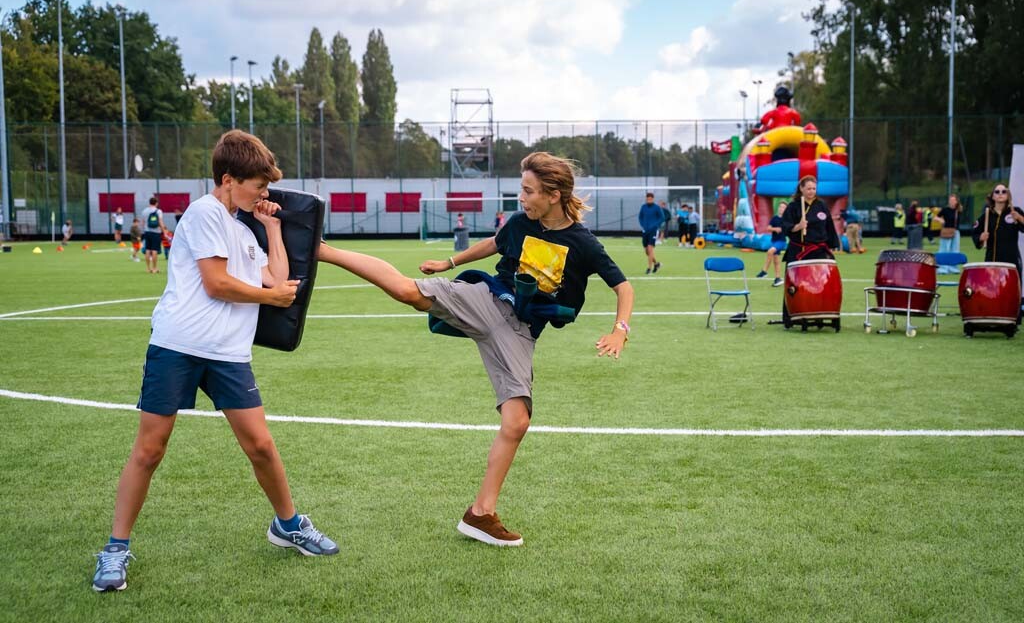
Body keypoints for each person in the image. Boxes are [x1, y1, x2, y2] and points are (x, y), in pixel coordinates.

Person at [317, 152, 633, 547]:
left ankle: (481, 514)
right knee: (406, 291)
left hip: (519, 330)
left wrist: (620, 330)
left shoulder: (583, 243)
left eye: (529, 191)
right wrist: (449, 262)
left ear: (553, 195)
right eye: (522, 189)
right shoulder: (520, 223)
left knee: (517, 422)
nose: (522, 198)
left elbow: (623, 287)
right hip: (487, 299)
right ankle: (322, 250)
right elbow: (494, 244)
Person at [91, 130, 337, 594]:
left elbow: (277, 278)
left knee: (261, 445)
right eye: (257, 187)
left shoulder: (243, 230)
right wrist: (270, 296)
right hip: (178, 346)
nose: (263, 195)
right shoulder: (204, 212)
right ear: (228, 180)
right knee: (150, 450)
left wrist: (272, 228)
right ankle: (115, 548)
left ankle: (288, 525)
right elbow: (217, 283)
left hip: (228, 354)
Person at [780, 176, 840, 325]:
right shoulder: (794, 206)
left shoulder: (821, 206)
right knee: (795, 285)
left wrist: (833, 244)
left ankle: (820, 312)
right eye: (808, 189)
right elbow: (785, 227)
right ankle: (792, 315)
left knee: (820, 283)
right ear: (801, 188)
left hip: (819, 250)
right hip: (799, 249)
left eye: (814, 188)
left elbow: (829, 226)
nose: (811, 191)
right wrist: (798, 227)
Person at [756, 201, 787, 286]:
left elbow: (788, 229)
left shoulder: (786, 219)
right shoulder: (774, 218)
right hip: (774, 241)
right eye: (780, 207)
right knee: (776, 261)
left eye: (783, 207)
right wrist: (775, 229)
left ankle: (764, 271)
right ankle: (777, 279)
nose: (781, 209)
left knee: (770, 251)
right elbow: (768, 228)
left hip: (781, 241)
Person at [936, 194, 962, 274]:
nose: (952, 202)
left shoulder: (958, 210)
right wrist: (941, 220)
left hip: (956, 232)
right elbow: (936, 217)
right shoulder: (945, 209)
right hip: (946, 231)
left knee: (955, 250)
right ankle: (942, 268)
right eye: (950, 200)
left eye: (953, 200)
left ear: (956, 201)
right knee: (944, 250)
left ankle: (953, 268)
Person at [141, 196, 168, 274]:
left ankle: (148, 268)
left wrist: (144, 230)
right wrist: (164, 231)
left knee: (147, 250)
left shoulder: (144, 211)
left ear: (149, 202)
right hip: (156, 232)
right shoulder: (158, 211)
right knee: (154, 250)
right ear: (156, 203)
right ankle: (154, 268)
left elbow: (142, 223)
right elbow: (160, 222)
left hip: (147, 232)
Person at [638, 192, 662, 273]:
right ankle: (656, 264)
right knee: (647, 251)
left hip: (653, 231)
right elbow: (640, 217)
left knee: (650, 248)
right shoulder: (643, 207)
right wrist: (643, 224)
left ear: (653, 199)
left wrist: (656, 225)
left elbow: (661, 217)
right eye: (648, 199)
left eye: (650, 199)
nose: (649, 200)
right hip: (645, 231)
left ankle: (649, 268)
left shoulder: (657, 208)